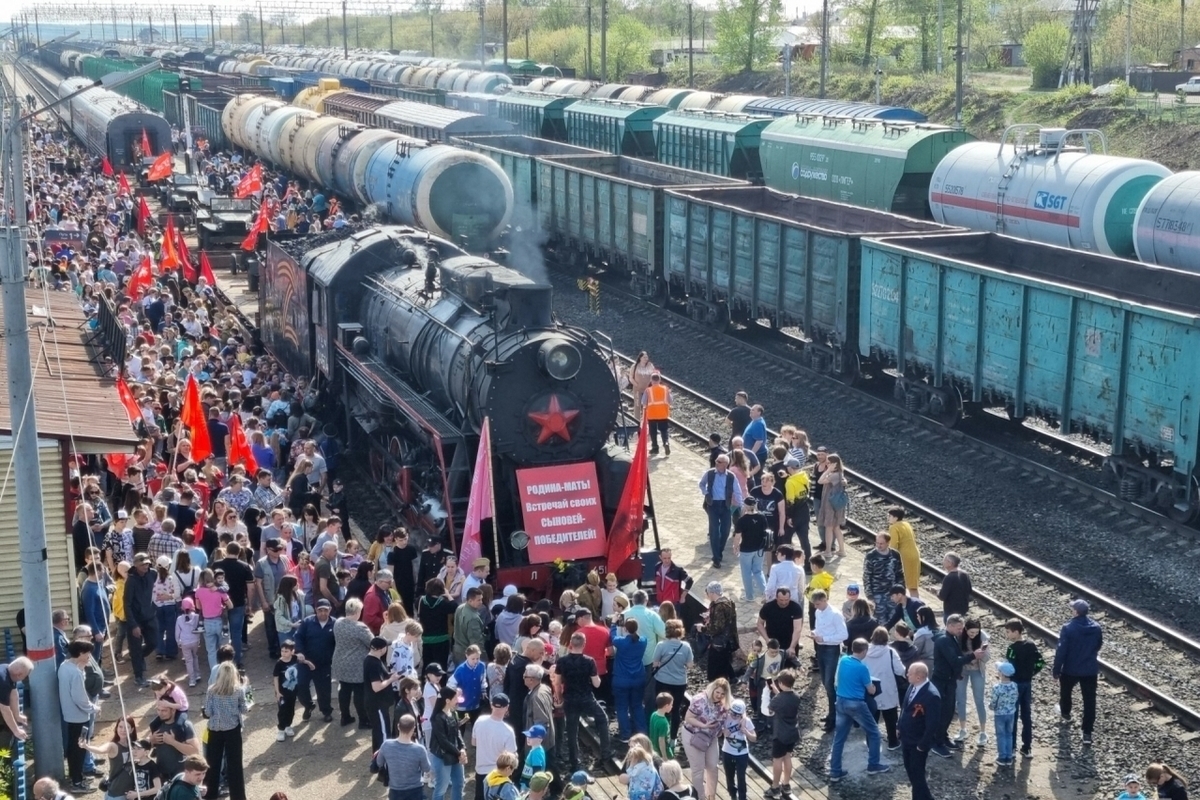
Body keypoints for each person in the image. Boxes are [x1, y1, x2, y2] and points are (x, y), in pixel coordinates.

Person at [828, 638, 889, 781]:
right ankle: (873, 765)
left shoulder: (843, 660)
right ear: (865, 651)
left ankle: (835, 771)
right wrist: (873, 686)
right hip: (855, 704)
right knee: (874, 733)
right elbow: (871, 690)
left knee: (839, 738)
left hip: (841, 702)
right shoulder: (862, 668)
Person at [554, 630, 613, 774]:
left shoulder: (562, 661)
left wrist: (559, 697)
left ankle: (575, 762)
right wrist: (597, 677)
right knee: (602, 718)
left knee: (572, 730)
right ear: (584, 644)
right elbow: (597, 684)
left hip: (570, 698)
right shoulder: (589, 661)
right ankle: (606, 753)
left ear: (570, 645)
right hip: (586, 697)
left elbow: (557, 682)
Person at [930, 614, 983, 758]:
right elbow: (954, 660)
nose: (961, 631)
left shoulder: (951, 638)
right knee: (943, 712)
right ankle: (937, 743)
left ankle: (943, 737)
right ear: (950, 626)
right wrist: (973, 656)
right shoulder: (944, 640)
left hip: (949, 680)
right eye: (959, 628)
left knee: (949, 711)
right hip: (942, 681)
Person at [1054, 599, 1103, 747]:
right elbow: (1098, 645)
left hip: (1070, 669)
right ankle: (1087, 733)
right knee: (1089, 701)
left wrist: (1056, 670)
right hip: (1089, 669)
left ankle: (1066, 713)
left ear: (1076, 612)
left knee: (1066, 692)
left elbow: (1061, 651)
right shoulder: (1096, 627)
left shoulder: (1068, 628)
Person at [203, 662, 248, 800]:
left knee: (213, 764)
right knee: (235, 764)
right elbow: (245, 708)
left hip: (215, 730)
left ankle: (210, 795)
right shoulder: (238, 690)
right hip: (232, 730)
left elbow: (208, 712)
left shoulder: (211, 690)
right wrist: (246, 686)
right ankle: (238, 797)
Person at [60, 640, 100, 792]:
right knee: (80, 748)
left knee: (73, 748)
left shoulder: (65, 667)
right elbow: (80, 698)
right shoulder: (75, 673)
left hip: (69, 715)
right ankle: (77, 782)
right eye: (88, 652)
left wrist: (82, 668)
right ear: (81, 653)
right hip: (79, 716)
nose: (90, 655)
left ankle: (76, 777)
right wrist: (94, 708)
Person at [681, 679, 731, 800]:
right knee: (698, 770)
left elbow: (738, 710)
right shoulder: (699, 699)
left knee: (713, 766)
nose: (719, 695)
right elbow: (688, 718)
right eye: (717, 692)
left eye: (722, 694)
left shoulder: (725, 703)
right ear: (713, 689)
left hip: (711, 737)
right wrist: (704, 725)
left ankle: (711, 796)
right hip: (694, 736)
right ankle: (700, 797)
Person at [1003, 618, 1043, 759]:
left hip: (1014, 685)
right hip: (1027, 683)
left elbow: (1009, 668)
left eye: (1008, 632)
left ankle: (1012, 747)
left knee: (1012, 715)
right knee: (1026, 716)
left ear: (1015, 632)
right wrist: (1031, 674)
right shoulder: (1031, 645)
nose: (1007, 635)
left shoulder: (1012, 649)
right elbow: (1040, 663)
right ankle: (1027, 748)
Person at [807, 590, 847, 733]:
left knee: (830, 684)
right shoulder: (818, 612)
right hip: (821, 649)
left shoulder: (835, 615)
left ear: (825, 600)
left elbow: (843, 634)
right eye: (814, 605)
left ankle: (835, 717)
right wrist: (815, 633)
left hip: (831, 650)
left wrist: (824, 639)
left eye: (817, 604)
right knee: (825, 682)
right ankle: (832, 714)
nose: (816, 607)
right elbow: (819, 628)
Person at [898, 663, 940, 800]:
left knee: (917, 774)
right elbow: (905, 708)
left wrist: (923, 744)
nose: (907, 674)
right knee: (911, 771)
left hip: (917, 742)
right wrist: (899, 726)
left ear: (918, 677)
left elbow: (932, 723)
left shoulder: (931, 695)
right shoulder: (912, 686)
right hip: (906, 738)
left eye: (909, 672)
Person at [864, 627, 907, 751]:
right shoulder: (890, 652)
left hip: (871, 688)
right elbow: (900, 670)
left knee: (872, 718)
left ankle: (871, 744)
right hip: (887, 688)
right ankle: (893, 742)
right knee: (891, 718)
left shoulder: (865, 651)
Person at [294, 599, 337, 722]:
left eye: (325, 610)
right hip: (305, 662)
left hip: (324, 664)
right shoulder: (307, 622)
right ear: (315, 610)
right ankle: (308, 705)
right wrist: (300, 652)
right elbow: (298, 637)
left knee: (324, 690)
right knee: (301, 686)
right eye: (320, 610)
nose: (323, 613)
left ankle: (326, 711)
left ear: (330, 610)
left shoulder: (335, 624)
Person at [332, 597, 372, 727]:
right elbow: (372, 643)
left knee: (343, 690)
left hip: (340, 662)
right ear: (357, 612)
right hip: (357, 665)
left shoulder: (338, 623)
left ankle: (345, 717)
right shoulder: (360, 627)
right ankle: (363, 719)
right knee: (359, 693)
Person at [699, 455, 744, 568]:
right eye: (716, 461)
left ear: (725, 464)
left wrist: (741, 506)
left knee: (725, 530)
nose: (716, 463)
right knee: (714, 531)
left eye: (719, 461)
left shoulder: (731, 476)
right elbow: (701, 484)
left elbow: (737, 491)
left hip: (725, 505)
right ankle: (716, 558)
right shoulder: (709, 473)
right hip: (712, 505)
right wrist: (706, 493)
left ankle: (718, 552)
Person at [652, 619, 694, 739]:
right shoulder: (686, 646)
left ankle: (660, 735)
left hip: (662, 681)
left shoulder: (661, 645)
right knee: (675, 710)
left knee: (661, 708)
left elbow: (655, 664)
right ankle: (673, 738)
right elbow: (690, 665)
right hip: (679, 682)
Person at [375, 714, 432, 800]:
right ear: (413, 729)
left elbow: (379, 763)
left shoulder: (386, 745)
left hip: (395, 790)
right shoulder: (419, 749)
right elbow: (427, 768)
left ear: (398, 726)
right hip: (415, 790)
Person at [472, 695, 517, 800]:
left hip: (480, 771)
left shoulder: (479, 721)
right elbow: (511, 758)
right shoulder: (508, 731)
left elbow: (474, 743)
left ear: (491, 705)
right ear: (506, 708)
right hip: (498, 774)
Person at [610, 617, 648, 741]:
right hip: (638, 678)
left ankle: (625, 735)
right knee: (637, 705)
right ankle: (642, 733)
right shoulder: (643, 641)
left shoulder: (621, 642)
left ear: (625, 628)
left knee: (622, 707)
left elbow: (612, 636)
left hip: (621, 679)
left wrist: (613, 624)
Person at [954, 617, 990, 746]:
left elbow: (987, 658)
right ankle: (963, 729)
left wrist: (982, 651)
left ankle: (983, 732)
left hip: (977, 671)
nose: (974, 635)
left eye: (976, 632)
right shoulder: (959, 637)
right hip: (963, 671)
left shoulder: (982, 638)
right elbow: (956, 655)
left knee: (979, 700)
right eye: (971, 632)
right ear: (966, 630)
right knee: (961, 699)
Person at [124, 552, 158, 687]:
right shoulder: (131, 581)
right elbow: (127, 604)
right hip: (136, 620)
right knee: (136, 647)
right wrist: (133, 625)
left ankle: (137, 657)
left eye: (147, 563)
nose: (146, 566)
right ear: (136, 565)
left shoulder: (153, 574)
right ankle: (139, 676)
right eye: (142, 564)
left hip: (150, 616)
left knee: (153, 642)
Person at [765, 669, 800, 799]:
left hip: (780, 734)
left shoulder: (778, 699)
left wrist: (774, 693)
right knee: (787, 757)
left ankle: (775, 786)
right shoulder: (796, 697)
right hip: (792, 732)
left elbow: (770, 709)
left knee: (777, 760)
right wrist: (777, 691)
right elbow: (785, 699)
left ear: (780, 683)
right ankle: (786, 784)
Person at [429, 686, 467, 800]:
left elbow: (457, 732)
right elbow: (442, 740)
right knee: (442, 788)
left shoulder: (452, 713)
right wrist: (459, 753)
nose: (457, 700)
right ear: (447, 700)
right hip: (442, 756)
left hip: (455, 754)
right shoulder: (438, 717)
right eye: (455, 698)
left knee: (459, 783)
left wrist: (463, 748)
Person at [365, 636, 401, 756]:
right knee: (383, 735)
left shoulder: (372, 660)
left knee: (378, 733)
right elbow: (377, 687)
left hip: (377, 704)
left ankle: (378, 762)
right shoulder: (373, 663)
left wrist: (390, 675)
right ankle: (384, 766)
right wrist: (391, 679)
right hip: (378, 705)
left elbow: (380, 677)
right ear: (381, 649)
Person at [698, 581, 738, 682]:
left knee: (714, 667)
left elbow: (717, 628)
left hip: (719, 642)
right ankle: (732, 678)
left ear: (711, 593)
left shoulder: (719, 606)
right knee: (724, 661)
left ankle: (715, 684)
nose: (707, 595)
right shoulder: (729, 601)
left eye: (707, 593)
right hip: (728, 640)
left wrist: (702, 628)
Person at [732, 497, 768, 602]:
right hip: (760, 549)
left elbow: (737, 536)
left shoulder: (742, 520)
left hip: (746, 550)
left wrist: (735, 546)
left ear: (745, 506)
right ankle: (766, 592)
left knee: (746, 572)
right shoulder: (762, 517)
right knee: (758, 571)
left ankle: (749, 596)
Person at [863, 533, 903, 627]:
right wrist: (869, 595)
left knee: (894, 619)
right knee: (880, 620)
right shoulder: (870, 556)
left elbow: (899, 574)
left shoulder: (895, 555)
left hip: (893, 594)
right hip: (877, 594)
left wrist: (901, 591)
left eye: (881, 543)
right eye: (877, 543)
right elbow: (867, 576)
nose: (879, 545)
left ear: (888, 543)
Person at [720, 698, 756, 800]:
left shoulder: (746, 721)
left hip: (742, 753)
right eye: (732, 713)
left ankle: (742, 798)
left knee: (741, 777)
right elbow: (717, 730)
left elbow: (754, 738)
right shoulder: (726, 718)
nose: (734, 716)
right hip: (727, 751)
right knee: (729, 776)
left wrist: (746, 732)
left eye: (737, 714)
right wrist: (723, 731)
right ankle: (732, 795)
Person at [757, 588, 805, 659]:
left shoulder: (796, 608)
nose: (784, 603)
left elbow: (797, 629)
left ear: (790, 597)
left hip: (790, 641)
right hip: (773, 642)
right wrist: (767, 639)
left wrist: (792, 647)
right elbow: (759, 624)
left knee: (791, 667)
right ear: (776, 597)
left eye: (786, 600)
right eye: (781, 600)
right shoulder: (768, 607)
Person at [887, 507, 921, 598]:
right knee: (913, 585)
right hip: (915, 554)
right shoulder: (907, 524)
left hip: (905, 556)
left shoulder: (894, 527)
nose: (888, 518)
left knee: (903, 584)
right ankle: (917, 603)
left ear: (895, 518)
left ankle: (907, 605)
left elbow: (893, 546)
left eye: (890, 516)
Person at [990, 661, 1019, 766]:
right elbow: (1016, 697)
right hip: (1011, 713)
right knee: (1009, 734)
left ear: (1001, 674)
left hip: (999, 714)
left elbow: (993, 702)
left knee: (1001, 735)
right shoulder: (1014, 685)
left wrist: (991, 707)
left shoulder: (997, 688)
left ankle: (1002, 757)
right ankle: (1009, 756)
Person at [273, 640, 302, 742]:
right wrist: (277, 692)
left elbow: (301, 660)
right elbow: (275, 677)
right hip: (282, 692)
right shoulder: (279, 663)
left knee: (291, 709)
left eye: (286, 651)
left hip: (292, 690)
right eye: (282, 651)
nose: (284, 653)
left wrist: (309, 663)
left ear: (292, 651)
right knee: (282, 710)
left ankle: (288, 725)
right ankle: (281, 729)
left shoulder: (295, 659)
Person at [0, 657, 32, 740]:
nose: (24, 679)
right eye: (25, 676)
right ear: (19, 674)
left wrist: (17, 715)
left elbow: (13, 693)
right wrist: (16, 730)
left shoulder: (7, 669)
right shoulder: (3, 681)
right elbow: (5, 709)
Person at [642, 372, 673, 456]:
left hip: (652, 414)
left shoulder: (648, 390)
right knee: (664, 430)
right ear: (659, 380)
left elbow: (643, 402)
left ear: (651, 381)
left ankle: (655, 448)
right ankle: (666, 442)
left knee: (653, 431)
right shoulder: (665, 389)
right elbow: (670, 401)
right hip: (663, 413)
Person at [937, 552, 972, 620]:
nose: (943, 562)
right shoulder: (965, 574)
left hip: (950, 611)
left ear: (950, 563)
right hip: (963, 609)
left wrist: (937, 592)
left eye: (944, 560)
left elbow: (942, 596)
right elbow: (969, 590)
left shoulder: (949, 578)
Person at [650, 692, 675, 760]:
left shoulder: (654, 714)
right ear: (666, 706)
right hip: (663, 752)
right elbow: (661, 740)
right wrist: (664, 756)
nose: (672, 707)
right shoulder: (664, 722)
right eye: (671, 705)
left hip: (654, 749)